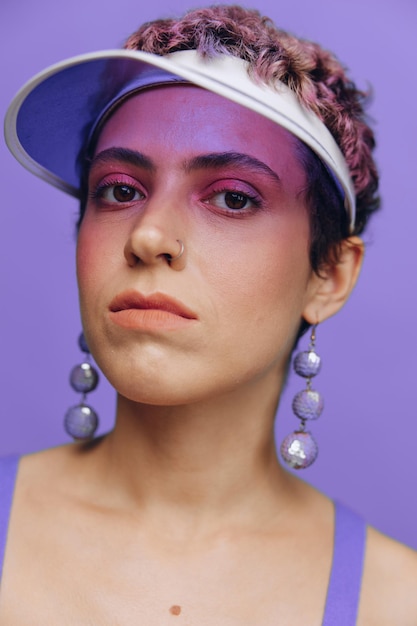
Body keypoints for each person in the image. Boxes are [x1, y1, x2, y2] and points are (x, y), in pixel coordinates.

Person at [2, 4, 417, 624]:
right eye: (119, 190)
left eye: (231, 198)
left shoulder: (397, 602)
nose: (148, 236)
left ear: (328, 274)